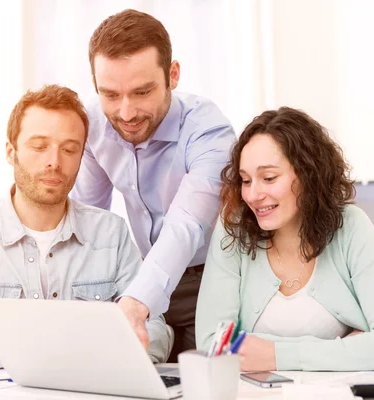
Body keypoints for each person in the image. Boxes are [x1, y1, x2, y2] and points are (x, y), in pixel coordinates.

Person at [0, 84, 172, 368]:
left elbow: (155, 328)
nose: (54, 162)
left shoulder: (111, 233)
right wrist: (37, 350)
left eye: (69, 149)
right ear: (11, 152)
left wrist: (83, 355)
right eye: (39, 146)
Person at [195, 107, 374, 371]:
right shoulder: (233, 230)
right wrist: (347, 347)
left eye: (268, 178)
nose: (253, 195)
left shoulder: (351, 227)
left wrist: (276, 355)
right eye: (245, 180)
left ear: (308, 174)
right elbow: (213, 344)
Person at [71, 9, 236, 360]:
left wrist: (136, 302)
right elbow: (87, 221)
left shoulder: (208, 131)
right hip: (141, 275)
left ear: (172, 75)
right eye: (110, 94)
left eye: (142, 92)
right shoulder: (94, 124)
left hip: (210, 282)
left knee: (199, 381)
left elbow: (187, 224)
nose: (126, 113)